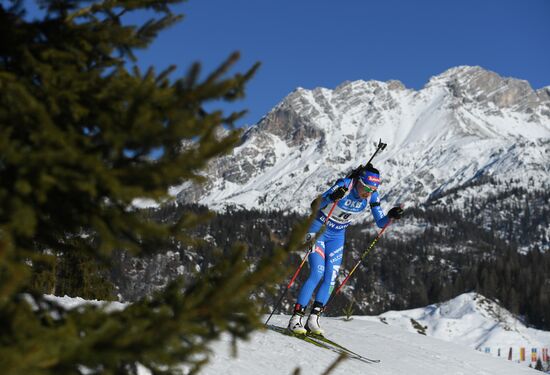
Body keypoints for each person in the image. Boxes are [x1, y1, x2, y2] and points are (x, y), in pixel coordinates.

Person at [287, 164, 403, 335]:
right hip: (317, 229)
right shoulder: (345, 185)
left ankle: (313, 319)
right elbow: (314, 206)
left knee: (331, 278)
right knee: (317, 273)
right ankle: (296, 319)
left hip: (337, 236)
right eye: (366, 188)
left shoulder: (372, 195)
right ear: (359, 182)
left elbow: (380, 223)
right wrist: (332, 197)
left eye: (373, 189)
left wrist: (391, 216)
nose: (368, 193)